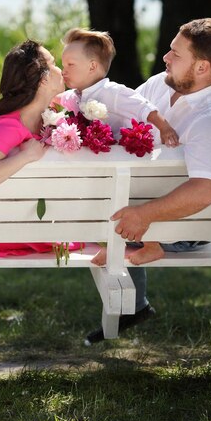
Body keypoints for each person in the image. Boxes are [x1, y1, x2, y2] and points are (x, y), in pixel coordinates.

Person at [85, 18, 211, 344]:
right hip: (148, 201)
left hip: (192, 227)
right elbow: (123, 120)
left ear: (202, 67)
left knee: (107, 219)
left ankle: (139, 250)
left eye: (175, 53)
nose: (165, 58)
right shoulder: (164, 83)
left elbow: (203, 192)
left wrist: (143, 217)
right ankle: (137, 274)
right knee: (105, 208)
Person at [0, 39, 82, 257]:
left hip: (29, 226)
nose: (60, 69)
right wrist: (25, 156)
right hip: (7, 231)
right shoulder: (9, 127)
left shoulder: (51, 117)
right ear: (43, 79)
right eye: (54, 63)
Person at [58, 27, 180, 266]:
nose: (64, 71)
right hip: (105, 162)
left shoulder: (112, 92)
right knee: (104, 202)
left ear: (92, 67)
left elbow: (144, 107)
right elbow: (63, 102)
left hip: (125, 159)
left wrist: (164, 128)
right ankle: (112, 244)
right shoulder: (76, 95)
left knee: (125, 199)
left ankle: (152, 245)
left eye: (70, 65)